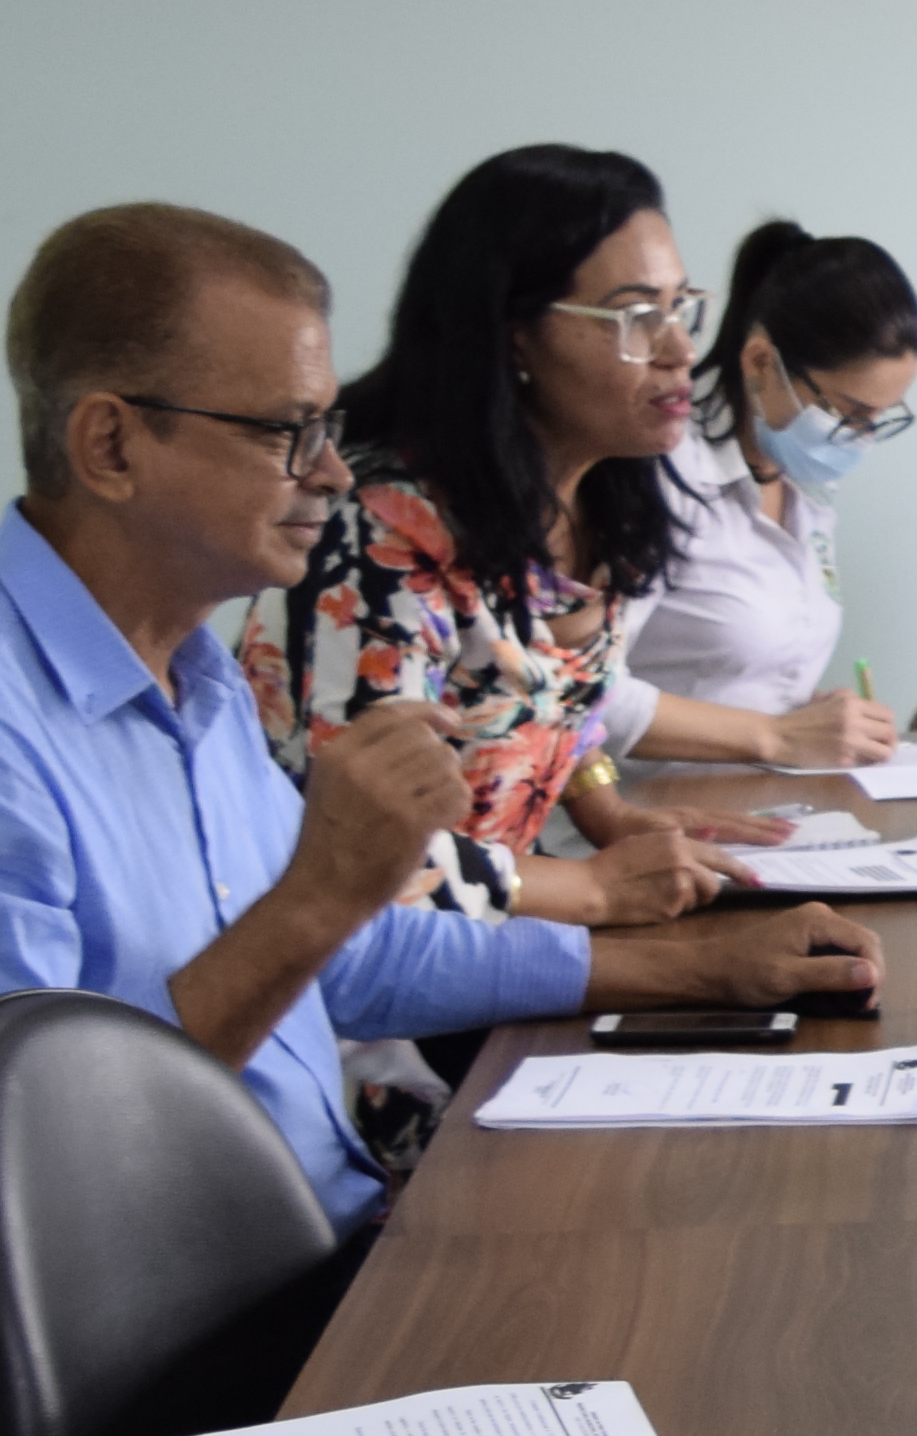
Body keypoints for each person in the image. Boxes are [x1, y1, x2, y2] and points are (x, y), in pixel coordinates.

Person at [0, 203, 879, 1314]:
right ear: (111, 445)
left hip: (305, 1241)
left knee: (750, 1251)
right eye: (285, 434)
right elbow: (34, 1150)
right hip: (142, 1334)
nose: (331, 476)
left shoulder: (189, 677)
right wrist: (321, 890)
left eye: (324, 429)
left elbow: (353, 961)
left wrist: (703, 970)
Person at [243, 146, 818, 922]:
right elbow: (366, 854)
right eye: (636, 317)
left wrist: (610, 815)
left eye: (681, 308)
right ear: (514, 334)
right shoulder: (375, 531)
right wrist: (593, 887)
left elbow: (553, 700)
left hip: (501, 935)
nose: (681, 350)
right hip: (360, 985)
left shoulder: (608, 489)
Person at [613, 215, 917, 766]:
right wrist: (775, 734)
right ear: (761, 361)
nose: (858, 440)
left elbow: (745, 682)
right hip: (644, 815)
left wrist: (813, 717)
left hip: (765, 808)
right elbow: (586, 693)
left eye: (877, 419)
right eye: (846, 413)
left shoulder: (805, 487)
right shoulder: (661, 472)